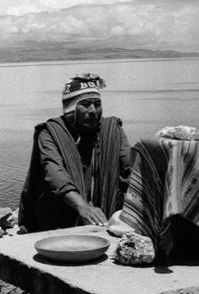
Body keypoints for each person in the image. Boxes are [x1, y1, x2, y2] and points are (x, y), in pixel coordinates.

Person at [19, 73, 132, 231]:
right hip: (61, 213)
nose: (93, 110)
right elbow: (53, 173)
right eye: (85, 104)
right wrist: (82, 206)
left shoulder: (113, 130)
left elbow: (129, 167)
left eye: (97, 104)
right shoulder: (51, 133)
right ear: (71, 109)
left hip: (106, 212)